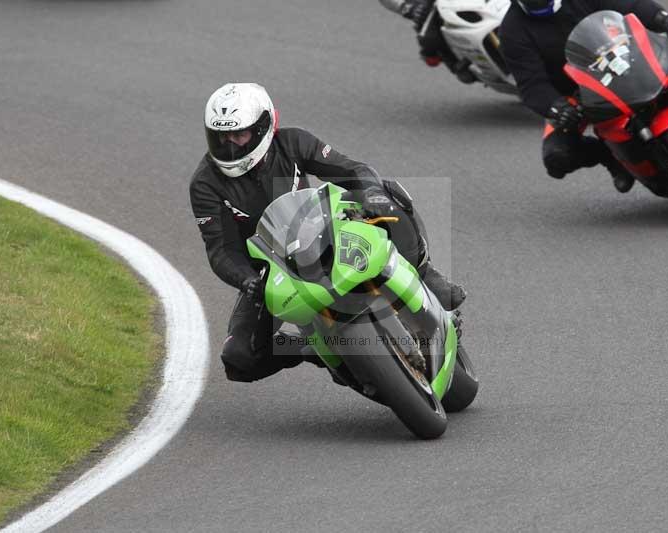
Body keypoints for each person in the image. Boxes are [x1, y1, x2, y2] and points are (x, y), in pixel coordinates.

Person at [189, 82, 466, 382]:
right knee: (238, 359)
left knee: (385, 196)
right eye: (221, 137)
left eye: (238, 135)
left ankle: (423, 273)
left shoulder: (292, 142)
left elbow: (350, 169)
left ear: (263, 127)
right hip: (272, 273)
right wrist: (247, 280)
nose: (230, 146)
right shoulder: (205, 184)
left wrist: (370, 192)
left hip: (323, 233)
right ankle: (312, 348)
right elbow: (221, 250)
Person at [500, 0, 668, 193]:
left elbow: (629, 4)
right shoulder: (512, 31)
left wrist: (663, 17)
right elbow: (532, 85)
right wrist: (557, 107)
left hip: (628, 60)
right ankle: (611, 156)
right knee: (557, 158)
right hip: (579, 93)